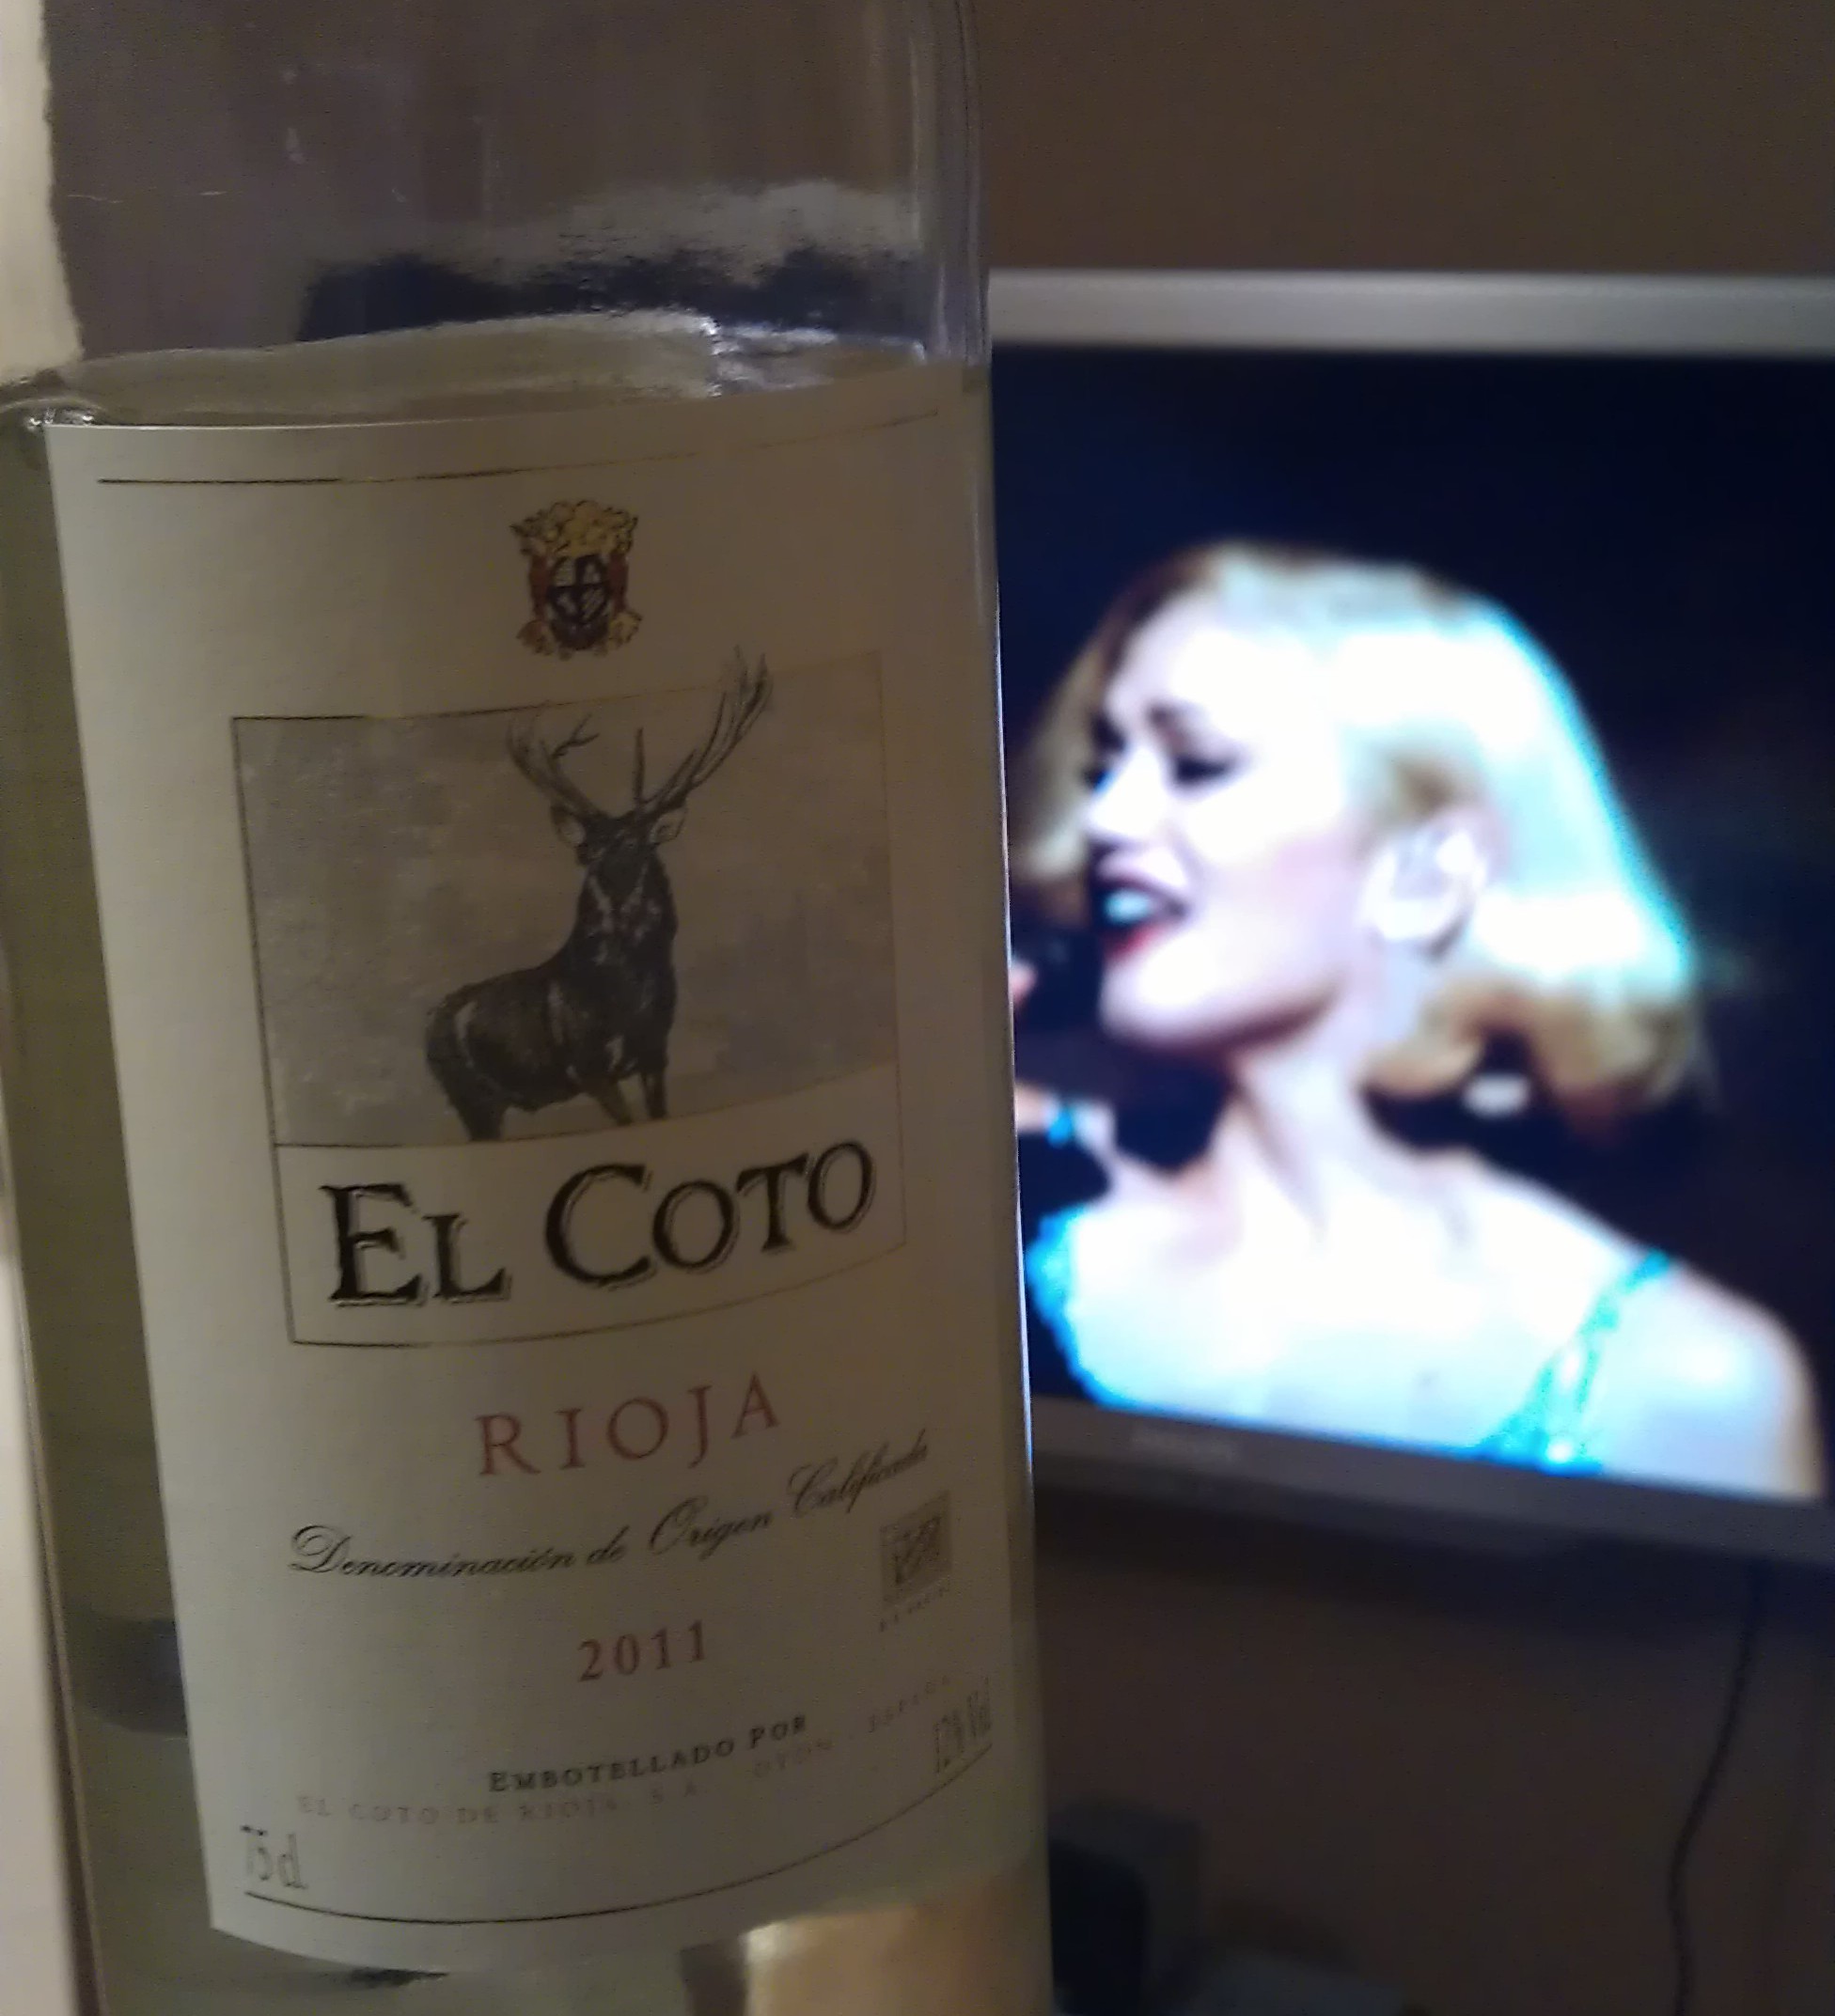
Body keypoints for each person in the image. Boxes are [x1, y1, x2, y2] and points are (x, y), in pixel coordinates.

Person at [1012, 543, 1825, 1500]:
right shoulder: (1003, 1185)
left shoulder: (1685, 1385)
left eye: (1197, 763)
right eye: (1105, 764)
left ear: (1428, 870)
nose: (1105, 818)